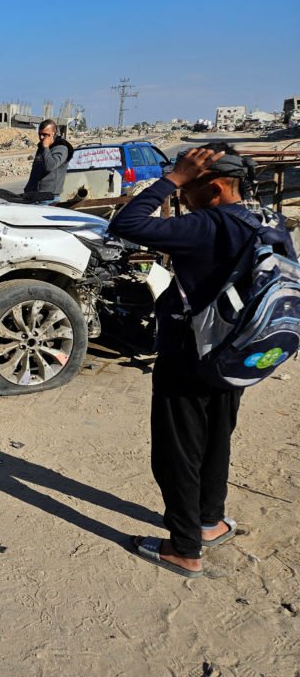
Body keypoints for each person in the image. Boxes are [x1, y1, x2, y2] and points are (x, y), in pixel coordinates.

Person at [108, 143, 295, 578]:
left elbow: (127, 223)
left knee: (178, 454)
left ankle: (185, 549)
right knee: (215, 441)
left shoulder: (205, 225)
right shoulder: (267, 220)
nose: (180, 199)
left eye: (186, 190)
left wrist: (171, 177)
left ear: (212, 188)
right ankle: (210, 523)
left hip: (191, 356)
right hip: (238, 354)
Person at [23, 119, 73, 199]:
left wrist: (46, 148)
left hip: (48, 198)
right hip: (34, 195)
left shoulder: (61, 148)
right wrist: (28, 188)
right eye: (39, 134)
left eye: (45, 134)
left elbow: (50, 166)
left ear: (53, 133)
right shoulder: (42, 148)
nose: (41, 137)